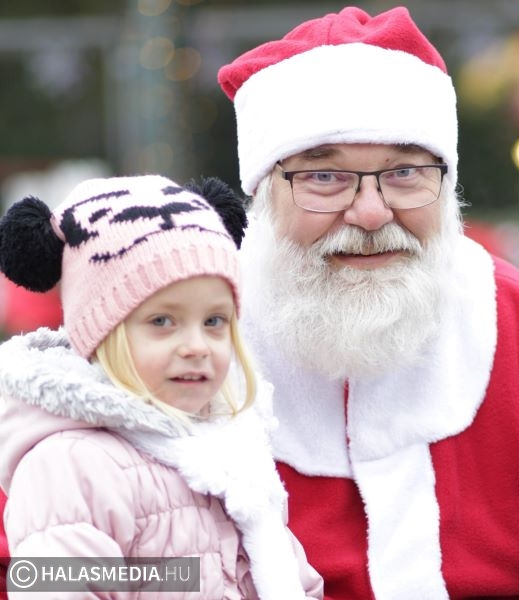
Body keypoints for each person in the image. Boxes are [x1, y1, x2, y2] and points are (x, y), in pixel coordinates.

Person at [215, 5, 519, 599]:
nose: (370, 212)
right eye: (324, 178)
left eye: (404, 172)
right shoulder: (189, 338)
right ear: (262, 193)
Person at [0, 175, 324, 599]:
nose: (196, 346)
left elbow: (292, 578)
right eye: (162, 321)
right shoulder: (71, 466)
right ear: (101, 331)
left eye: (214, 321)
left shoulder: (235, 448)